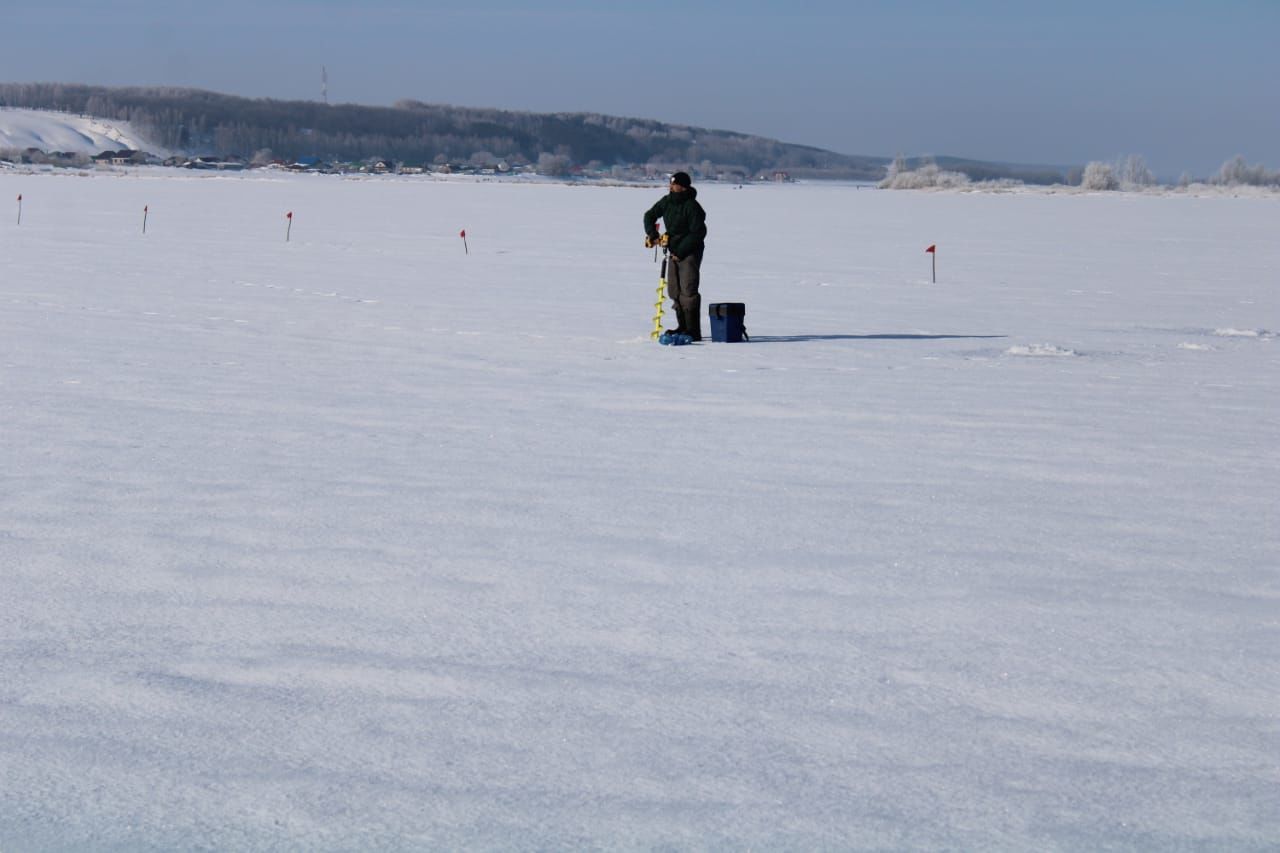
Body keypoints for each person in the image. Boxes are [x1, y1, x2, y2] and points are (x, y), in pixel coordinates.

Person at [644, 171, 707, 340]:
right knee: (674, 290)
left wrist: (681, 252)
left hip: (690, 251)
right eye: (670, 183)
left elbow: (698, 233)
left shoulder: (692, 206)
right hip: (673, 252)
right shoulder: (667, 201)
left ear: (683, 186)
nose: (671, 186)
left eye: (674, 183)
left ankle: (693, 330)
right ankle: (682, 326)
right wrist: (653, 235)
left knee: (688, 289)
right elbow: (649, 215)